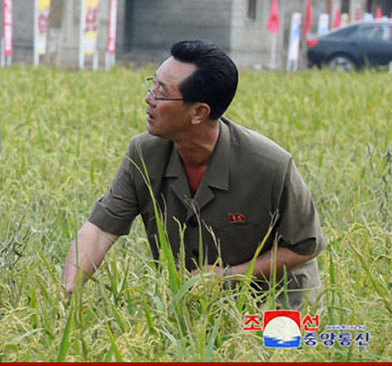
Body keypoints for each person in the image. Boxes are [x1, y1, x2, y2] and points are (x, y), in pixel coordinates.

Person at [61, 39, 326, 309]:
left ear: (199, 112)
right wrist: (66, 293)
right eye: (152, 85)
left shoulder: (270, 165)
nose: (149, 99)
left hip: (276, 305)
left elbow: (306, 246)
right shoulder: (144, 154)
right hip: (192, 302)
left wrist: (228, 276)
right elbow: (100, 231)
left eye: (161, 94)